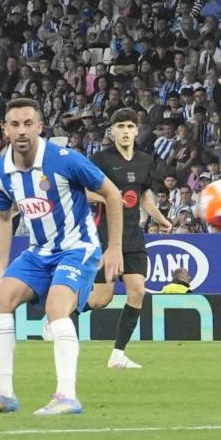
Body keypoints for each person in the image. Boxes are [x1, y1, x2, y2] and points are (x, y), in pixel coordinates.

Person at [0, 98, 124, 416]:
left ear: (40, 127)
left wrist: (115, 247)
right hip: (39, 252)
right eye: (15, 124)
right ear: (5, 129)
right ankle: (3, 394)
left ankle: (67, 395)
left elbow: (113, 193)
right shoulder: (0, 170)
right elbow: (1, 217)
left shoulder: (65, 160)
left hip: (77, 247)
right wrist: (0, 269)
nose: (22, 130)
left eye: (28, 123)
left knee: (56, 308)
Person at [85, 108, 173, 369]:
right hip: (106, 237)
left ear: (137, 130)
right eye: (120, 126)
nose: (125, 131)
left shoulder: (145, 160)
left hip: (134, 237)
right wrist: (108, 198)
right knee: (102, 299)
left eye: (129, 127)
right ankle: (58, 314)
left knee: (137, 290)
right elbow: (84, 191)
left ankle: (118, 355)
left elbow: (143, 195)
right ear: (112, 131)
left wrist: (160, 219)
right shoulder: (100, 159)